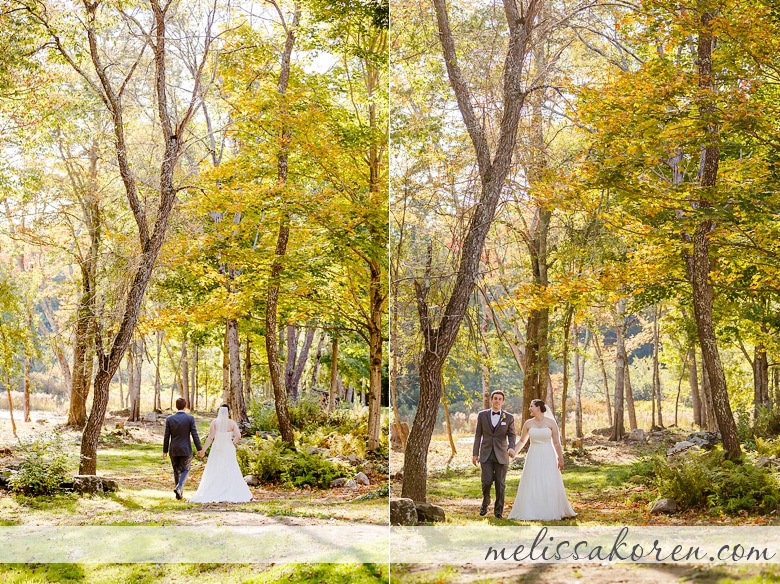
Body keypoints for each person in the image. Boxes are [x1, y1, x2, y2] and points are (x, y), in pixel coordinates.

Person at [507, 398, 576, 521]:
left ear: (538, 407)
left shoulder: (551, 423)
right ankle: (531, 509)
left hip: (548, 454)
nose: (529, 408)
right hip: (533, 455)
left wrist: (560, 458)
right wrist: (514, 452)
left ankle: (549, 509)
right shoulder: (528, 423)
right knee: (532, 481)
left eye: (531, 406)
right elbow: (522, 441)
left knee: (548, 480)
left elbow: (556, 442)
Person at [189, 405, 253, 503]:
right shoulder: (232, 423)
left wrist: (203, 450)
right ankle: (230, 489)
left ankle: (214, 489)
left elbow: (210, 437)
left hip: (217, 448)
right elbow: (238, 436)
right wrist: (233, 442)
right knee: (230, 468)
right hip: (228, 448)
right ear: (228, 412)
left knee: (215, 468)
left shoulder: (214, 423)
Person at [472, 390, 516, 519]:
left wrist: (511, 447)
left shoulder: (509, 417)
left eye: (500, 399)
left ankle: (498, 510)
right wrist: (475, 453)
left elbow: (512, 435)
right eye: (495, 398)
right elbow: (478, 435)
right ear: (491, 400)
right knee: (486, 481)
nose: (497, 401)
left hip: (501, 454)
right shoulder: (482, 415)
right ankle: (485, 503)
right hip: (485, 454)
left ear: (503, 401)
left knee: (500, 483)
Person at [163, 397, 204, 500]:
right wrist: (199, 448)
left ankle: (178, 494)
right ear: (185, 406)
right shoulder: (190, 418)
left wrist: (165, 450)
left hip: (174, 449)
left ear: (176, 406)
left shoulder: (170, 419)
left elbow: (166, 436)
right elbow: (194, 434)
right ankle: (179, 487)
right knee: (186, 469)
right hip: (186, 449)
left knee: (176, 470)